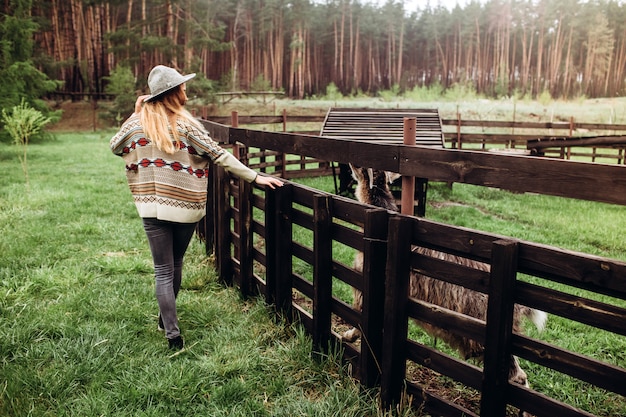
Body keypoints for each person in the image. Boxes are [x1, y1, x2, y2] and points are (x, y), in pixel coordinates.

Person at [110, 65, 283, 350]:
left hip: (150, 208)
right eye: (182, 86)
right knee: (174, 265)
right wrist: (255, 177)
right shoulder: (185, 126)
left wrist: (134, 113)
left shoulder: (136, 125)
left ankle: (171, 331)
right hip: (184, 206)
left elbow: (116, 146)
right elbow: (219, 155)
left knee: (163, 270)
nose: (186, 90)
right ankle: (168, 323)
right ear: (172, 93)